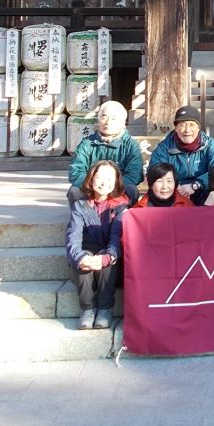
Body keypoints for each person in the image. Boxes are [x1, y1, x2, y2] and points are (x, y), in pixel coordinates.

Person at [65, 160, 128, 330]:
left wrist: (107, 257)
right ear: (91, 179)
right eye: (99, 177)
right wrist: (81, 257)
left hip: (109, 261)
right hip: (86, 258)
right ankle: (87, 309)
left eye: (109, 179)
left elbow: (116, 237)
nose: (103, 183)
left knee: (107, 260)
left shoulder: (120, 207)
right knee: (82, 260)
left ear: (116, 182)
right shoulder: (79, 206)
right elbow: (73, 236)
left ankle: (105, 308)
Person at [67, 100, 143, 207]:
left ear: (123, 123)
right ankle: (84, 216)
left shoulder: (130, 145)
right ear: (98, 120)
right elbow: (75, 171)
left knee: (132, 190)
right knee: (74, 191)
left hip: (118, 188)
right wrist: (95, 185)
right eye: (104, 117)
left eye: (113, 118)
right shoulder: (87, 143)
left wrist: (111, 186)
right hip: (92, 187)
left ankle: (122, 218)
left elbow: (134, 175)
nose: (108, 122)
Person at [148, 105, 214, 203]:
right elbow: (155, 172)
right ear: (175, 128)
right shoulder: (164, 148)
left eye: (192, 125)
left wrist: (196, 184)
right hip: (174, 193)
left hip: (203, 191)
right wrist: (174, 187)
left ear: (198, 128)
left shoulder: (209, 144)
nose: (187, 130)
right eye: (182, 125)